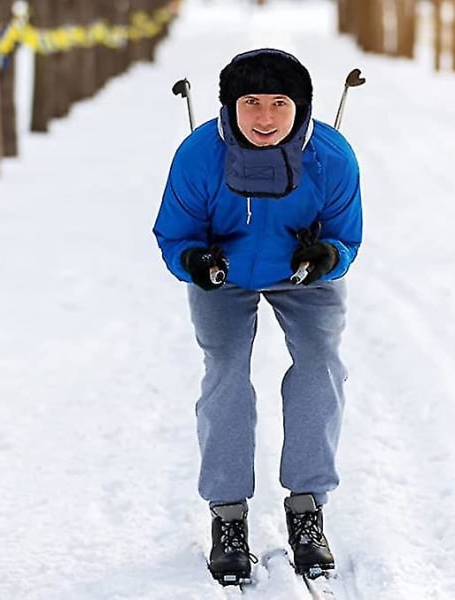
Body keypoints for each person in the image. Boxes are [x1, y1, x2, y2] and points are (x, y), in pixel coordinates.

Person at [153, 48, 362, 586]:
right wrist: (195, 261)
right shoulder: (199, 155)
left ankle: (307, 509)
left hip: (303, 275)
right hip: (222, 274)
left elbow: (347, 236)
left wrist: (328, 255)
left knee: (321, 367)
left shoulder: (333, 157)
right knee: (225, 374)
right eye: (250, 103)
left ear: (302, 107)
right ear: (229, 106)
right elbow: (176, 232)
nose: (265, 118)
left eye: (278, 104)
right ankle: (228, 515)